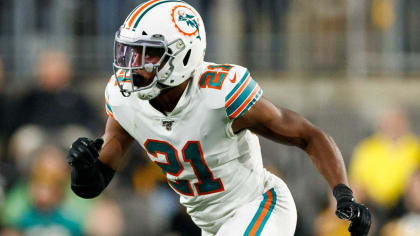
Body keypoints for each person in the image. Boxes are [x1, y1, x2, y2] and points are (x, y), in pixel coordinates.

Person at [66, 1, 371, 235]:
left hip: (259, 206)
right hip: (211, 226)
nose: (132, 67)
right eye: (129, 53)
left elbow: (308, 135)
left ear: (183, 55)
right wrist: (82, 169)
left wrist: (343, 193)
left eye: (146, 54)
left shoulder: (220, 94)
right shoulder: (126, 100)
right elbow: (92, 185)